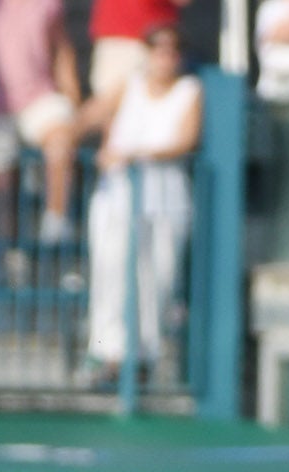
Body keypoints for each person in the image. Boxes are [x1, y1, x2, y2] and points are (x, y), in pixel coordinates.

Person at [84, 22, 199, 385]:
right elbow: (88, 117)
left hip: (164, 202)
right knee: (111, 272)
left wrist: (136, 155)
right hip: (117, 200)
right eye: (158, 49)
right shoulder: (127, 86)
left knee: (157, 279)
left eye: (171, 50)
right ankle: (106, 353)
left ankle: (144, 357)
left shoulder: (189, 90)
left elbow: (184, 140)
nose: (164, 58)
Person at [0, 0, 82, 246]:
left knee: (61, 138)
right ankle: (2, 255)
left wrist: (72, 96)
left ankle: (55, 223)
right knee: (1, 181)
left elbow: (60, 47)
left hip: (38, 98)